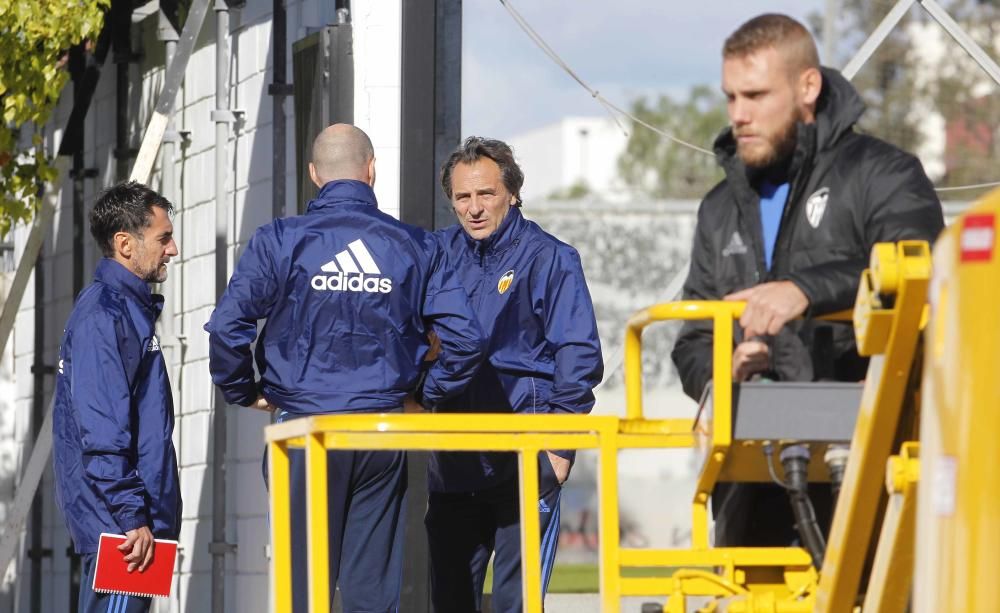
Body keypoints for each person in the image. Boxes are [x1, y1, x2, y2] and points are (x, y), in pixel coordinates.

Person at [671, 13, 944, 546]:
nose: (738, 115)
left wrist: (807, 289)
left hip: (872, 462)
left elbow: (925, 271)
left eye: (755, 95)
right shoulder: (719, 207)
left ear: (808, 87)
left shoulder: (883, 173)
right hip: (749, 482)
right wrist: (722, 370)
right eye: (731, 97)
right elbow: (692, 338)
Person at [205, 124, 485, 612]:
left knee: (302, 589)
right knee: (371, 594)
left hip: (303, 432)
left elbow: (229, 327)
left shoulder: (279, 240)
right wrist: (426, 397)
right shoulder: (416, 245)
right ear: (371, 171)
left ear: (314, 175)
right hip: (379, 431)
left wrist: (244, 391)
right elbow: (467, 339)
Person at [425, 136, 604, 613]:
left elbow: (578, 353)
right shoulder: (435, 254)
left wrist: (559, 448)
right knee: (449, 600)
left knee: (515, 604)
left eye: (486, 194)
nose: (474, 208)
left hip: (526, 458)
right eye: (463, 197)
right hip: (453, 458)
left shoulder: (550, 258)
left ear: (513, 192)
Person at [53, 181, 181, 613]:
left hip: (133, 524)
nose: (173, 249)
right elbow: (102, 429)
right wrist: (132, 518)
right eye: (163, 238)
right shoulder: (104, 315)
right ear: (125, 244)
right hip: (124, 533)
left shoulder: (127, 311)